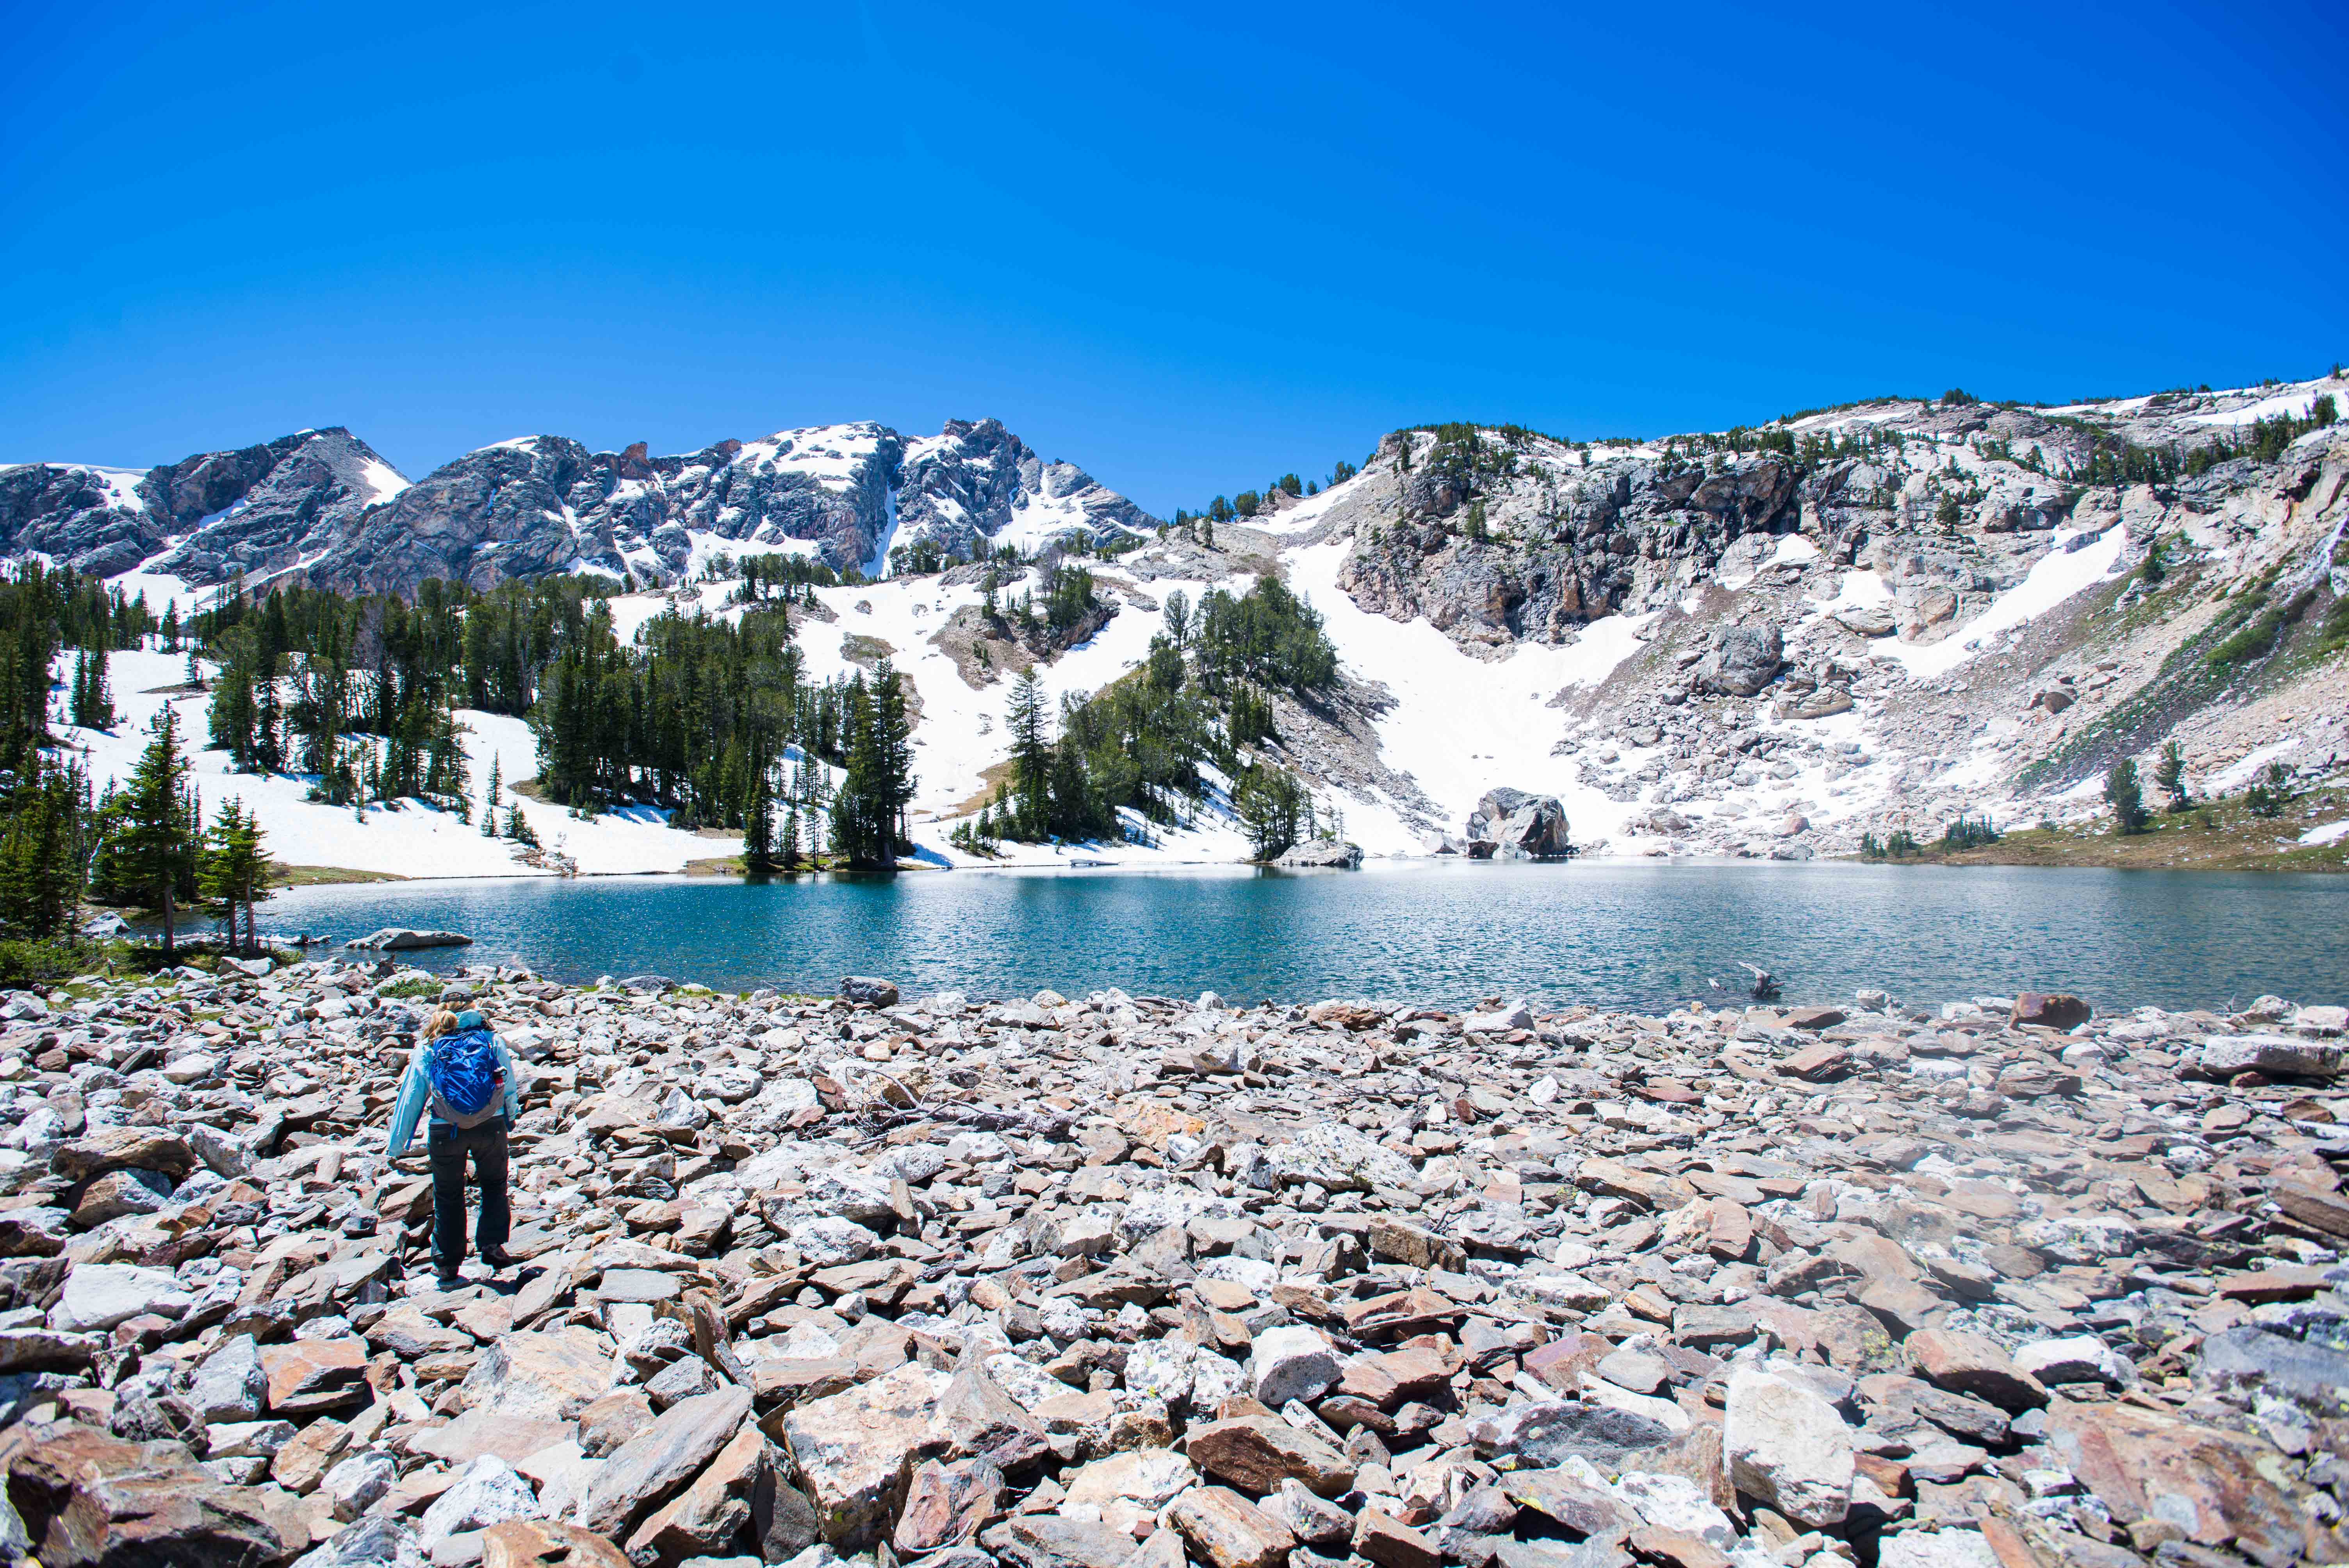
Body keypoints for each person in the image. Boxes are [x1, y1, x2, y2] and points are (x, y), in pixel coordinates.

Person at [387, 1007, 521, 1286]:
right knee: (494, 1185)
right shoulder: (489, 1039)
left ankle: (448, 1263)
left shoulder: (430, 1046)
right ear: (473, 1009)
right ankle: (492, 1247)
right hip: (491, 1125)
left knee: (448, 1195)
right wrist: (510, 1118)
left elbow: (412, 1095)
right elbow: (507, 1082)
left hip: (445, 1130)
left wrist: (398, 1144)